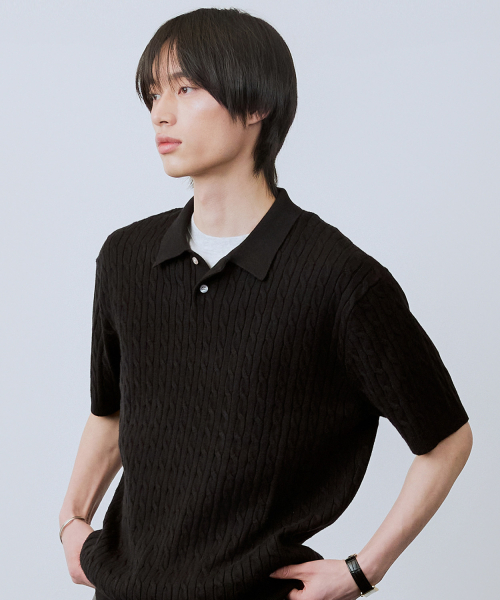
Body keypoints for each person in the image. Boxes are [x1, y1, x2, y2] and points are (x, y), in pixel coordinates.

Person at [58, 7, 472, 600]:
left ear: (256, 105)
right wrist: (72, 522)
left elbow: (447, 438)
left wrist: (363, 570)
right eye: (153, 93)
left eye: (185, 88)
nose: (160, 112)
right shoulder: (126, 257)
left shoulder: (339, 281)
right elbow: (111, 411)